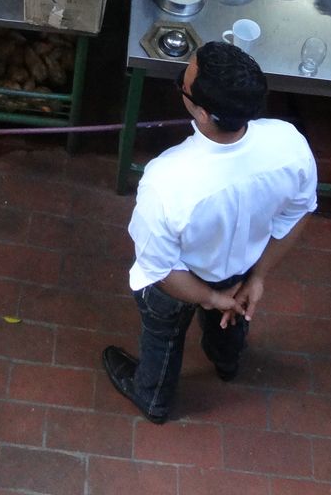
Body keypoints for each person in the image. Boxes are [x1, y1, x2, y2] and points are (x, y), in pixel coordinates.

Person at [102, 41, 317, 424]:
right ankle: (227, 362)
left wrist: (208, 298)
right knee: (234, 317)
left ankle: (152, 397)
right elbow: (299, 214)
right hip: (242, 272)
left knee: (164, 335)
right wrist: (258, 277)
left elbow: (161, 270)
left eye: (182, 82)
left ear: (202, 113)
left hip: (183, 283)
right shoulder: (289, 144)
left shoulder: (166, 182)